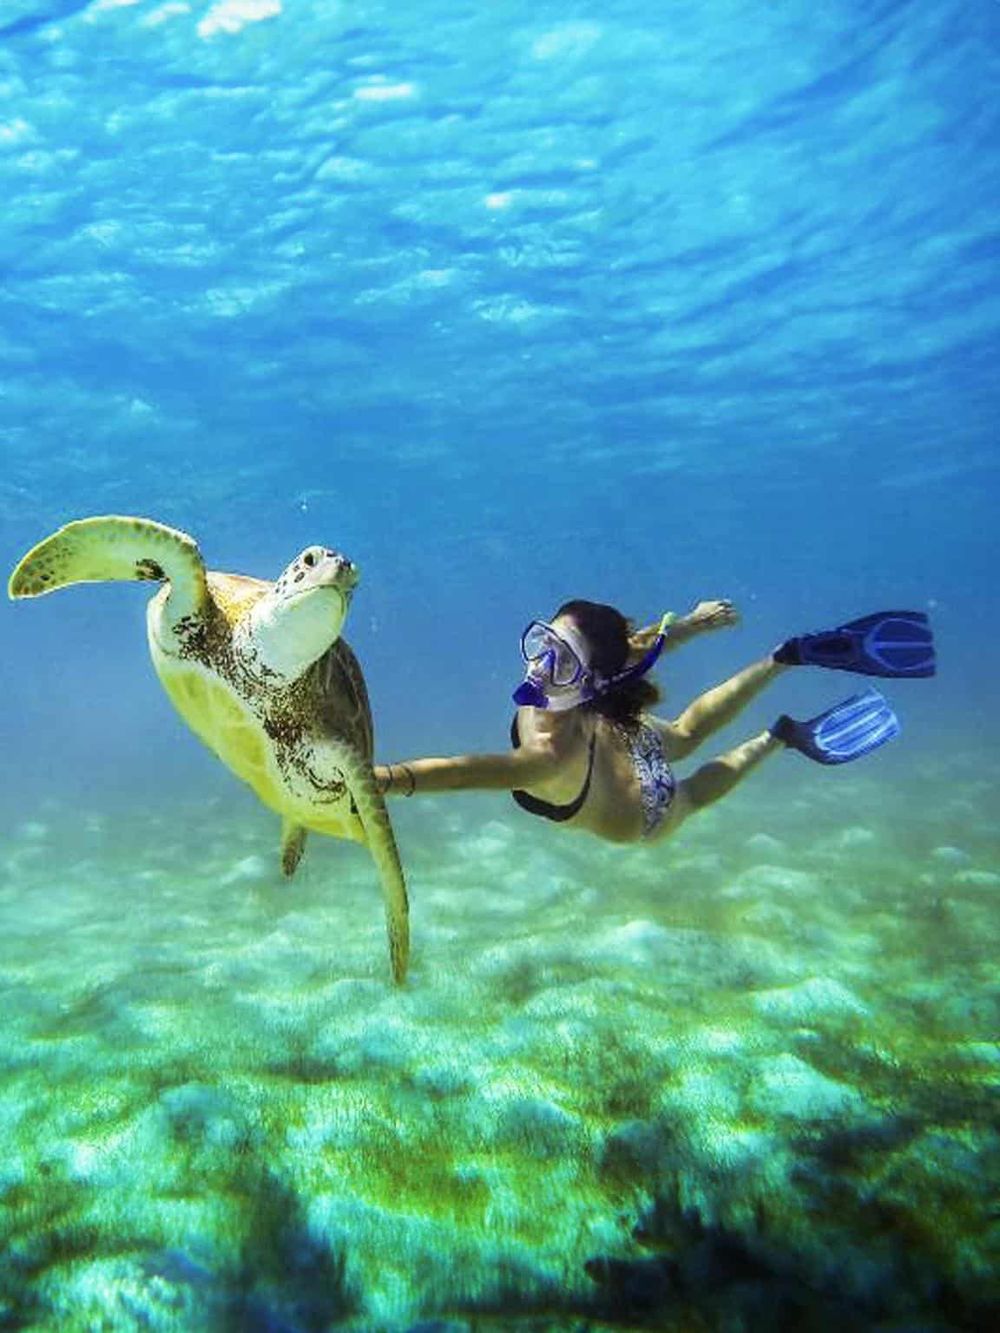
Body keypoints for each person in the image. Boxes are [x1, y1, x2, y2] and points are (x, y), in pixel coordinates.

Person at [374, 603, 935, 845]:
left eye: (561, 658)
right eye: (543, 644)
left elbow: (466, 773)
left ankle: (777, 738)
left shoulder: (546, 755)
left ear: (590, 679)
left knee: (686, 793)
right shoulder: (587, 687)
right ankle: (781, 658)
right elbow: (635, 653)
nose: (541, 665)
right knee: (686, 735)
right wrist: (689, 624)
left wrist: (386, 779)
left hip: (633, 813)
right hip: (603, 730)